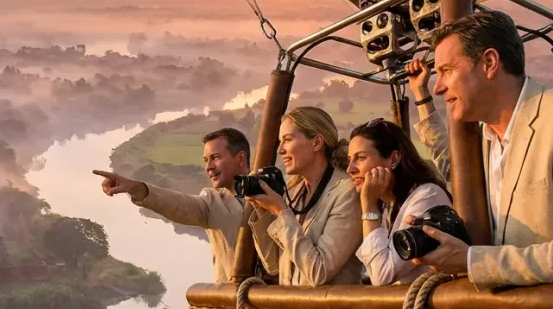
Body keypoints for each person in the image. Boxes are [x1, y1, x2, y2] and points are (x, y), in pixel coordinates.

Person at [410, 10, 553, 290]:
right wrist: (421, 97)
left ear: (489, 62)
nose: (438, 87)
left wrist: (471, 261)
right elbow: (453, 166)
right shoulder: (488, 139)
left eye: (446, 71)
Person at [92, 127, 252, 283]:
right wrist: (134, 188)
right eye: (206, 160)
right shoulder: (212, 203)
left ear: (240, 158)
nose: (209, 167)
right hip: (231, 301)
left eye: (215, 157)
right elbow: (177, 204)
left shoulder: (273, 195)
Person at [244, 106, 363, 286]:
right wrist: (263, 211)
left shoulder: (347, 193)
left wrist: (282, 211)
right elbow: (274, 266)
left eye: (287, 140)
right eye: (280, 141)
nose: (280, 150)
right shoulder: (294, 193)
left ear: (316, 142)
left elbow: (319, 272)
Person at [346, 117, 452, 285]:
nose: (350, 169)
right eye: (349, 159)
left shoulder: (427, 197)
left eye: (360, 157)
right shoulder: (390, 205)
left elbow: (382, 275)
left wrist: (369, 205)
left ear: (393, 159)